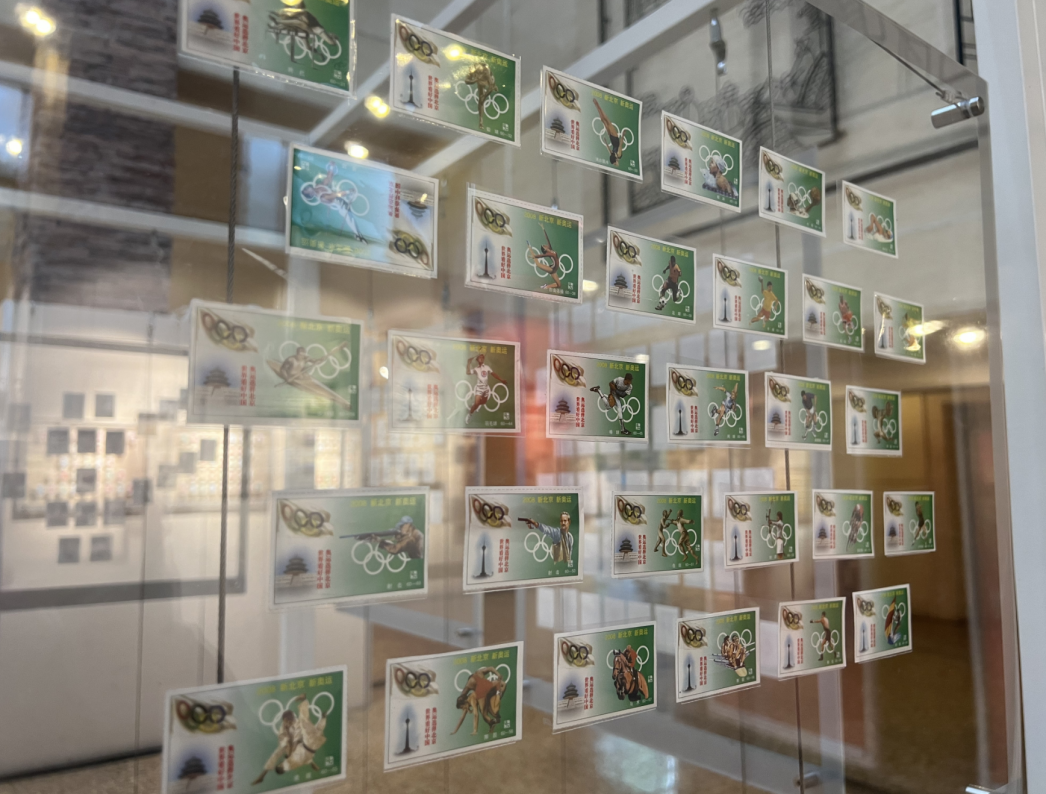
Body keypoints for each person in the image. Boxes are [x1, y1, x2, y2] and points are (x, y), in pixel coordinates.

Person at [252, 694, 329, 785]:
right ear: (285, 720)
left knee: (308, 725)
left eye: (292, 718)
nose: (291, 720)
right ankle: (318, 713)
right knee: (314, 732)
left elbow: (306, 732)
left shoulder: (297, 723)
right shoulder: (283, 733)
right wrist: (263, 774)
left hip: (306, 744)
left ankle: (305, 701)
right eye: (288, 720)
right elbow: (277, 754)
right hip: (304, 748)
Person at [465, 353, 506, 425]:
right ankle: (470, 414)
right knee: (476, 403)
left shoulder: (487, 367)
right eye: (480, 357)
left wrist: (501, 380)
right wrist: (468, 363)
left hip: (486, 388)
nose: (481, 358)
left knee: (483, 402)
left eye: (482, 357)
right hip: (479, 388)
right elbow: (468, 372)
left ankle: (476, 405)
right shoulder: (476, 369)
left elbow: (493, 374)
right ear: (477, 359)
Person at [526, 226, 563, 290]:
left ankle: (546, 286)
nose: (546, 245)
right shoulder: (548, 253)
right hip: (552, 269)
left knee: (559, 285)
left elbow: (547, 239)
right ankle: (530, 247)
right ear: (545, 249)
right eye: (544, 246)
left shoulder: (550, 249)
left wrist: (543, 230)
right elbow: (541, 256)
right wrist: (534, 256)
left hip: (554, 271)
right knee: (538, 264)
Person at [592, 98, 624, 166]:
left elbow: (620, 145)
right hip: (611, 137)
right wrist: (606, 142)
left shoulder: (618, 155)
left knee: (606, 119)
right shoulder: (615, 155)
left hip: (615, 137)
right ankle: (597, 105)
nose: (616, 163)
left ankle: (597, 105)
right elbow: (609, 148)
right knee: (603, 120)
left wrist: (623, 136)